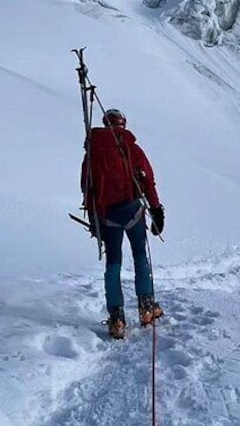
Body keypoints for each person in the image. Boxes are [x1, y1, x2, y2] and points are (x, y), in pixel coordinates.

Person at [81, 108, 166, 339]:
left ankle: (116, 318)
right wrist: (156, 210)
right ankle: (146, 307)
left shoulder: (93, 151)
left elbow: (87, 187)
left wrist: (94, 221)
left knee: (113, 263)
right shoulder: (131, 147)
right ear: (123, 124)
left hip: (107, 215)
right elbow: (147, 180)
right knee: (140, 255)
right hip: (132, 211)